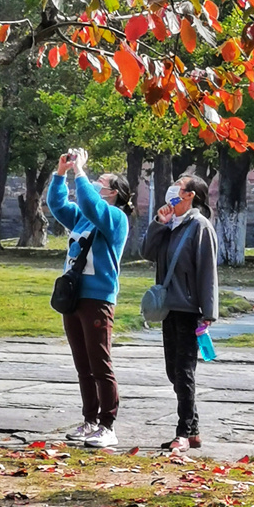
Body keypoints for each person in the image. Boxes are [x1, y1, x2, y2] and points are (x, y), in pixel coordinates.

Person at [47, 148, 133, 448]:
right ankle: (90, 420)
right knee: (82, 364)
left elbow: (88, 202)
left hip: (98, 298)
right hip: (73, 296)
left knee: (100, 363)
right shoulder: (82, 219)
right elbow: (58, 205)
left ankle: (108, 424)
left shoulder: (114, 218)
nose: (95, 182)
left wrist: (80, 172)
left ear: (114, 193)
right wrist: (61, 173)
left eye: (101, 182)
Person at [141, 176, 219, 454]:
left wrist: (208, 312)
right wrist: (158, 225)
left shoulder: (200, 227)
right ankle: (194, 430)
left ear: (190, 196)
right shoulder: (170, 224)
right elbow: (147, 252)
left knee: (184, 372)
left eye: (179, 185)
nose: (172, 188)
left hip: (188, 309)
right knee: (173, 371)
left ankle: (183, 432)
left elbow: (207, 271)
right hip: (167, 308)